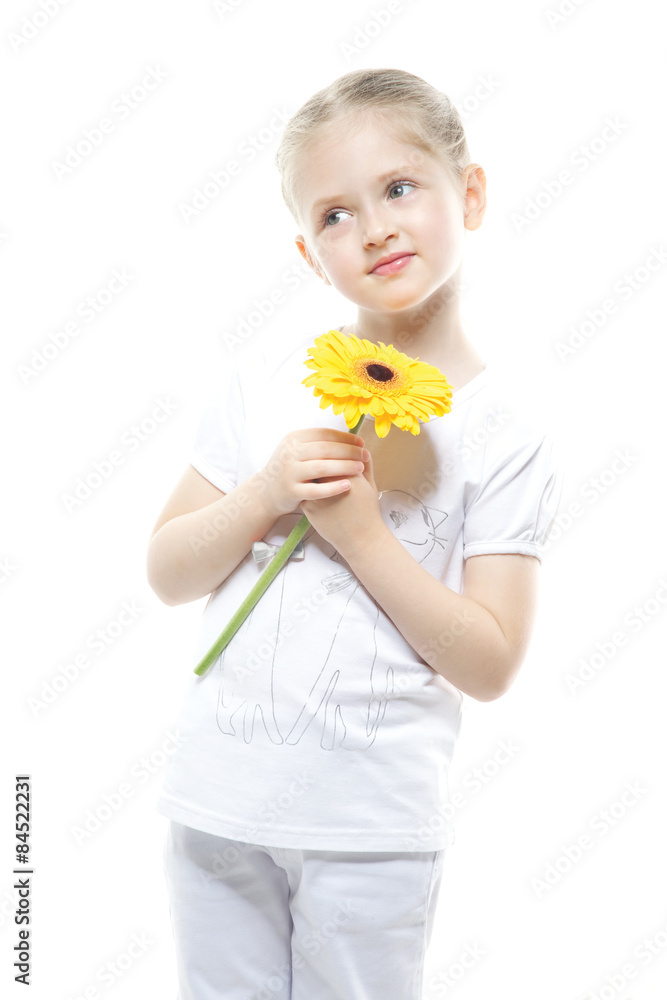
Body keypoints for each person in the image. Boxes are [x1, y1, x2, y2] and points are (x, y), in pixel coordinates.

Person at [147, 67, 561, 1000]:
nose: (371, 226)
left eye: (399, 189)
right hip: (217, 802)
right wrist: (261, 494)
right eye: (333, 215)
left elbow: (490, 664)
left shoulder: (504, 428)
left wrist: (365, 534)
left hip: (369, 828)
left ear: (473, 194)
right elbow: (168, 572)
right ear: (307, 252)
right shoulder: (266, 382)